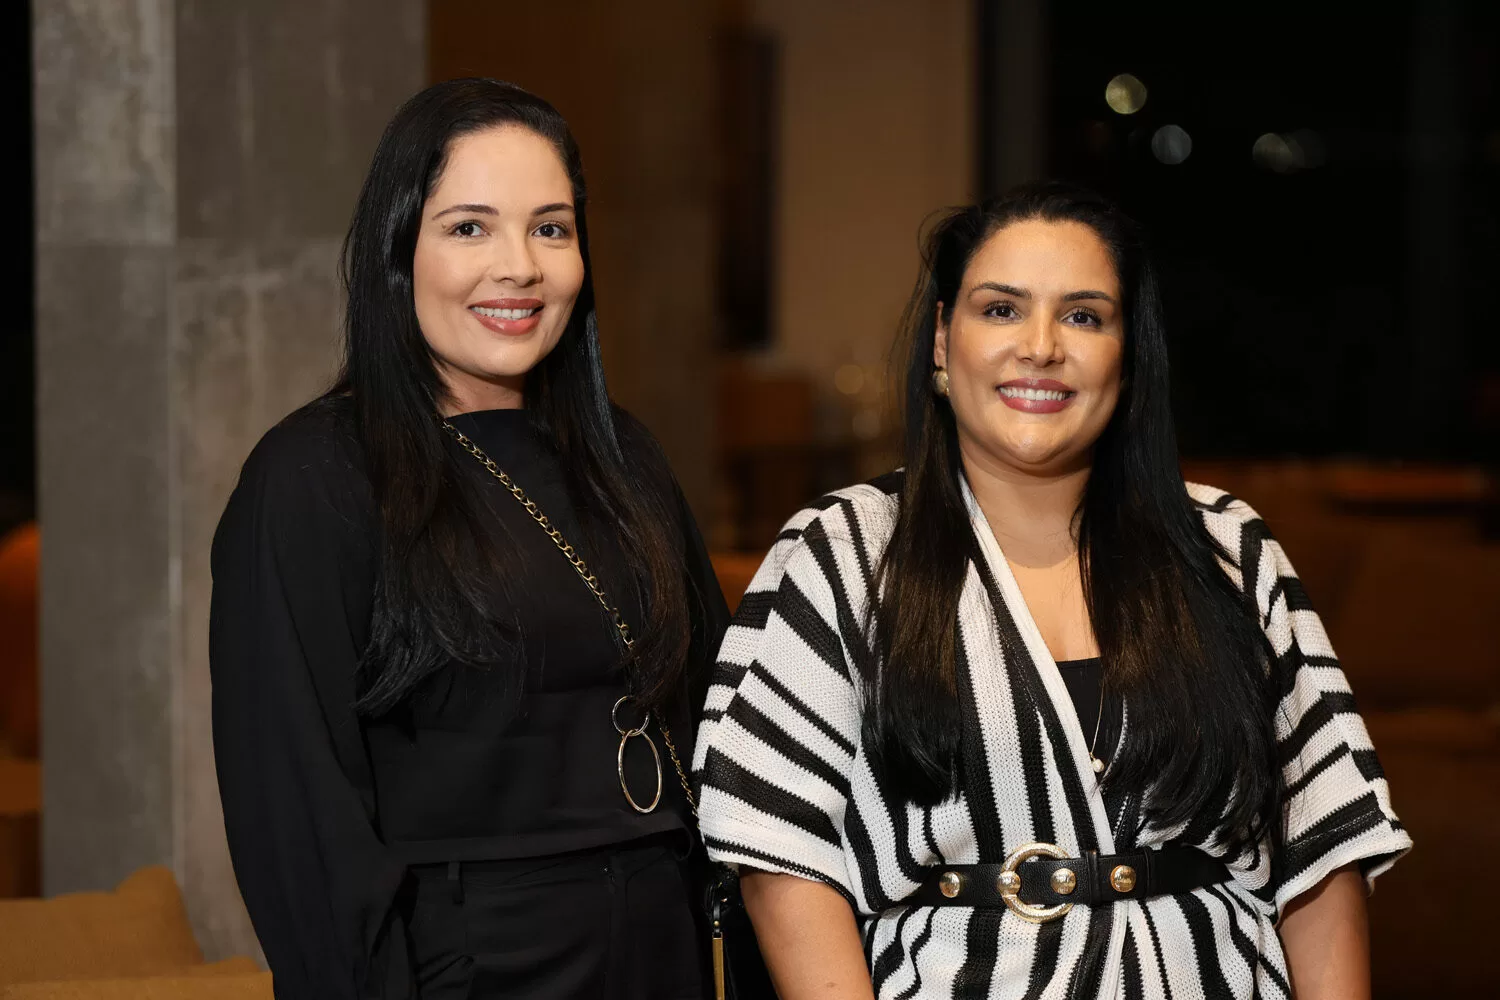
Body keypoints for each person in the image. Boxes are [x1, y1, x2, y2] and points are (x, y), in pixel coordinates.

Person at [693, 182, 1410, 999]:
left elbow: (1323, 846)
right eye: (1001, 309)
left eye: (1083, 317)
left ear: (1128, 355)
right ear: (942, 340)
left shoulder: (1227, 548)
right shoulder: (847, 551)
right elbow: (779, 851)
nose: (1040, 347)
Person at [210, 78, 727, 1000]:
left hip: (662, 944)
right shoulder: (317, 475)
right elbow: (298, 815)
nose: (519, 267)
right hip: (467, 965)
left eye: (551, 228)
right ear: (397, 249)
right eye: (469, 228)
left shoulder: (623, 455)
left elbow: (720, 724)